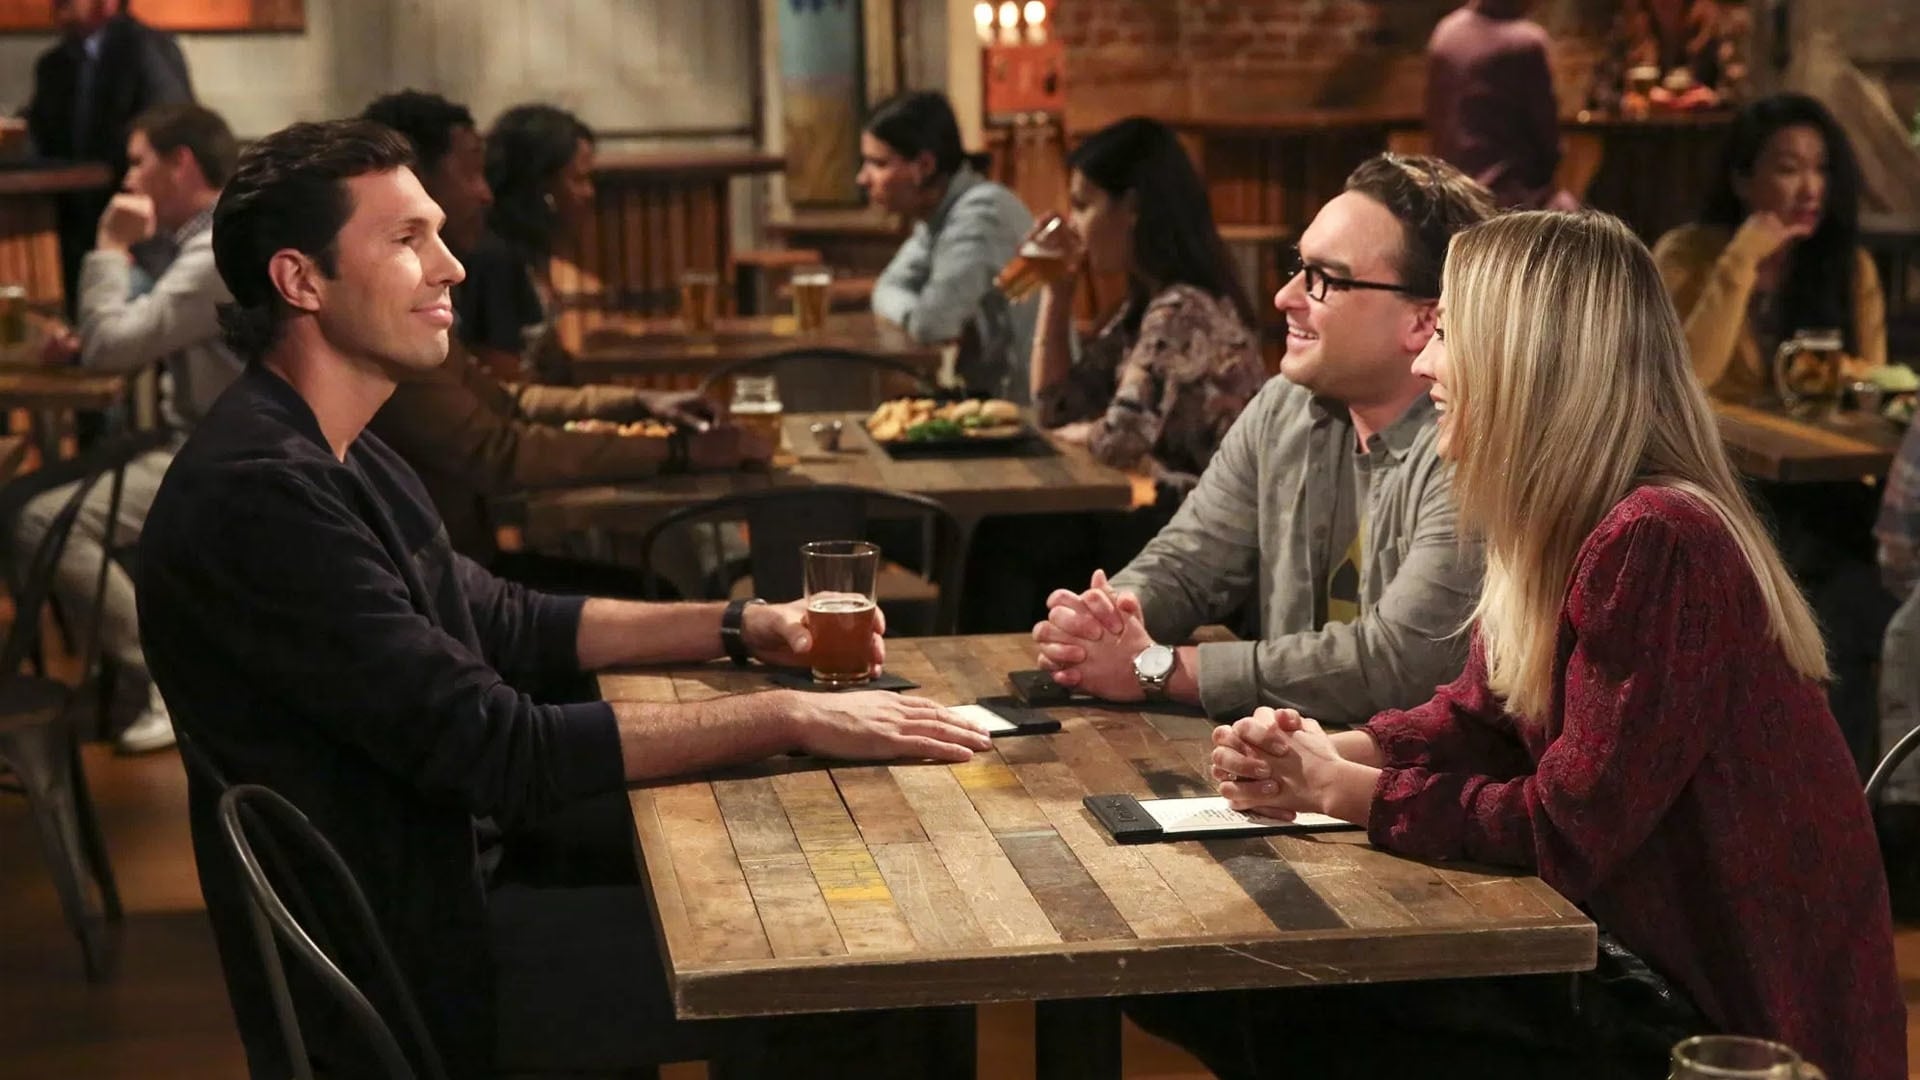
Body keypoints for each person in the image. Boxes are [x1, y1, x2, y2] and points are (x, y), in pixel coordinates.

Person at [137, 119, 994, 1079]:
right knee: (873, 969)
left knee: (805, 851)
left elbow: (501, 615)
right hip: (421, 960)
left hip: (456, 871)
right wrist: (790, 714)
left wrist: (742, 625)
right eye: (408, 239)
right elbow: (500, 748)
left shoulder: (335, 445)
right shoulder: (263, 494)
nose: (452, 266)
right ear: (301, 280)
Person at [1163, 210, 1904, 1080]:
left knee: (1280, 1001)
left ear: (1529, 362)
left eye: (1448, 334)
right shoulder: (1565, 524)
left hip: (1734, 1030)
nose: (1424, 361)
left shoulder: (1658, 538)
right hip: (1640, 968)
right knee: (1249, 993)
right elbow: (1482, 716)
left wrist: (1343, 790)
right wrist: (1320, 749)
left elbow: (1567, 829)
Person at [1031, 155, 1494, 725]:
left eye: (1324, 279)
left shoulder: (1473, 440)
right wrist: (1105, 623)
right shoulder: (1285, 406)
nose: (1284, 296)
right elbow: (1187, 564)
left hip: (1408, 772)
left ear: (1424, 320)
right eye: (1299, 266)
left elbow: (1402, 662)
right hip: (1282, 758)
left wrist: (1158, 668)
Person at [360, 91, 770, 585]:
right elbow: (498, 451)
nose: (486, 194)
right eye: (470, 173)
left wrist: (638, 402)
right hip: (439, 586)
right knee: (663, 576)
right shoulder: (385, 325)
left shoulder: (422, 306)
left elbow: (507, 400)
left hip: (468, 567)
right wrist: (679, 453)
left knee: (668, 572)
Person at [1654, 92, 1890, 771]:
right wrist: (1741, 263)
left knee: (1855, 592)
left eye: (1821, 168)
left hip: (1823, 489)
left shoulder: (1846, 266)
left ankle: (1844, 786)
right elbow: (1684, 378)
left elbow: (1868, 389)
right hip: (1718, 481)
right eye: (1788, 167)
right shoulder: (1688, 254)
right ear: (1742, 177)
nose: (1810, 187)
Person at [961, 116, 1266, 631]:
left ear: (1133, 208)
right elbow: (1056, 406)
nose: (1074, 225)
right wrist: (1058, 292)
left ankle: (1014, 668)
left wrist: (1083, 432)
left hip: (1207, 537)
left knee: (1011, 540)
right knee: (1010, 534)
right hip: (1162, 513)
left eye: (1083, 204)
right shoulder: (1145, 306)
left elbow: (1119, 440)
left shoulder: (1183, 310)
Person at [14, 103, 240, 755]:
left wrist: (109, 247)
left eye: (139, 162)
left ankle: (168, 679)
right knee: (22, 500)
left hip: (222, 454)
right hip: (200, 436)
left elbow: (115, 346)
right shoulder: (205, 241)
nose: (129, 179)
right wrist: (85, 343)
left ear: (181, 164)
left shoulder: (214, 251)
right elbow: (122, 336)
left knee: (41, 523)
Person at [862, 90, 1036, 403]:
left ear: (924, 165)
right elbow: (886, 288)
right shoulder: (939, 214)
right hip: (986, 400)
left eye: (878, 163)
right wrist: (914, 314)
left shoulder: (981, 214)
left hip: (1026, 411)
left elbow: (933, 325)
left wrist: (917, 317)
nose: (863, 178)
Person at [23, 0, 193, 310]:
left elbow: (171, 136)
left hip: (140, 242)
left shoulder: (147, 49)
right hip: (69, 241)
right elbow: (37, 139)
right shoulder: (53, 65)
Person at [456, 103, 596, 380]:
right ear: (541, 185)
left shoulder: (526, 251)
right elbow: (503, 380)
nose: (589, 192)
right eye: (579, 179)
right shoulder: (494, 257)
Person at [1426, 0, 1578, 210]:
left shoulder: (1445, 34)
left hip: (1452, 193)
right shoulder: (1527, 42)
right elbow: (1548, 142)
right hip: (1513, 198)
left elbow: (1436, 122)